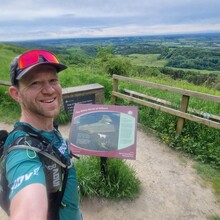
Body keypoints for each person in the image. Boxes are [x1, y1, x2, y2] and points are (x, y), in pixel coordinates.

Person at [3, 49, 83, 220]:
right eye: (35, 83)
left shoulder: (49, 128)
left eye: (53, 80)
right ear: (16, 94)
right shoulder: (21, 151)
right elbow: (28, 210)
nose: (49, 90)